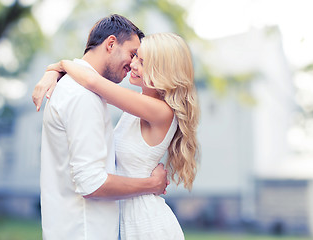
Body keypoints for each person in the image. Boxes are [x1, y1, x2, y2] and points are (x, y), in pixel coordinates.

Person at [34, 32, 200, 239]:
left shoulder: (160, 111)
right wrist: (54, 72)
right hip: (124, 219)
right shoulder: (138, 104)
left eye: (142, 61)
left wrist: (58, 66)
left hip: (146, 224)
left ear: (161, 70)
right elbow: (90, 83)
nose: (133, 64)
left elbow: (93, 82)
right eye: (135, 57)